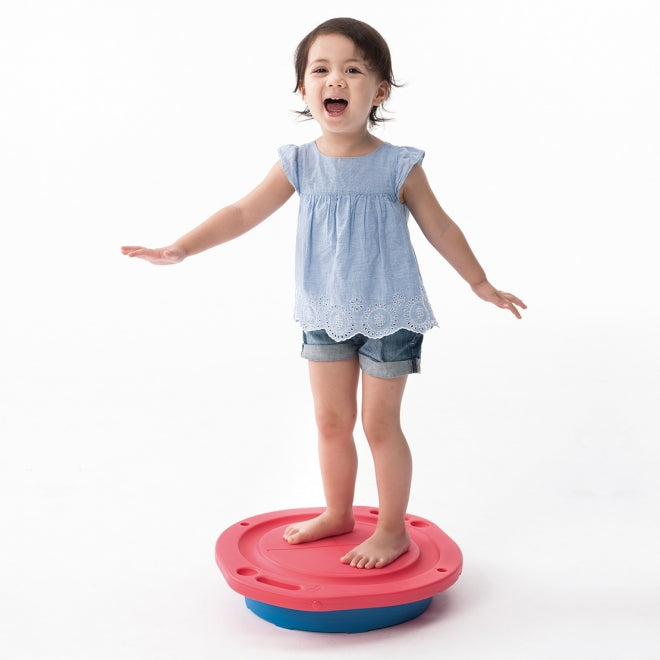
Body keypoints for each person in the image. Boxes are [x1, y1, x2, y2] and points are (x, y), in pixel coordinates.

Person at [122, 17, 526, 570]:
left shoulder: (399, 165)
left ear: (378, 92)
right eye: (321, 69)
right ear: (303, 88)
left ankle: (391, 530)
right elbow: (242, 212)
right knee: (331, 422)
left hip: (390, 314)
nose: (335, 79)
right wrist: (182, 248)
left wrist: (479, 282)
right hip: (324, 310)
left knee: (379, 425)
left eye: (352, 70)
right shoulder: (298, 163)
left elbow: (441, 227)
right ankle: (338, 512)